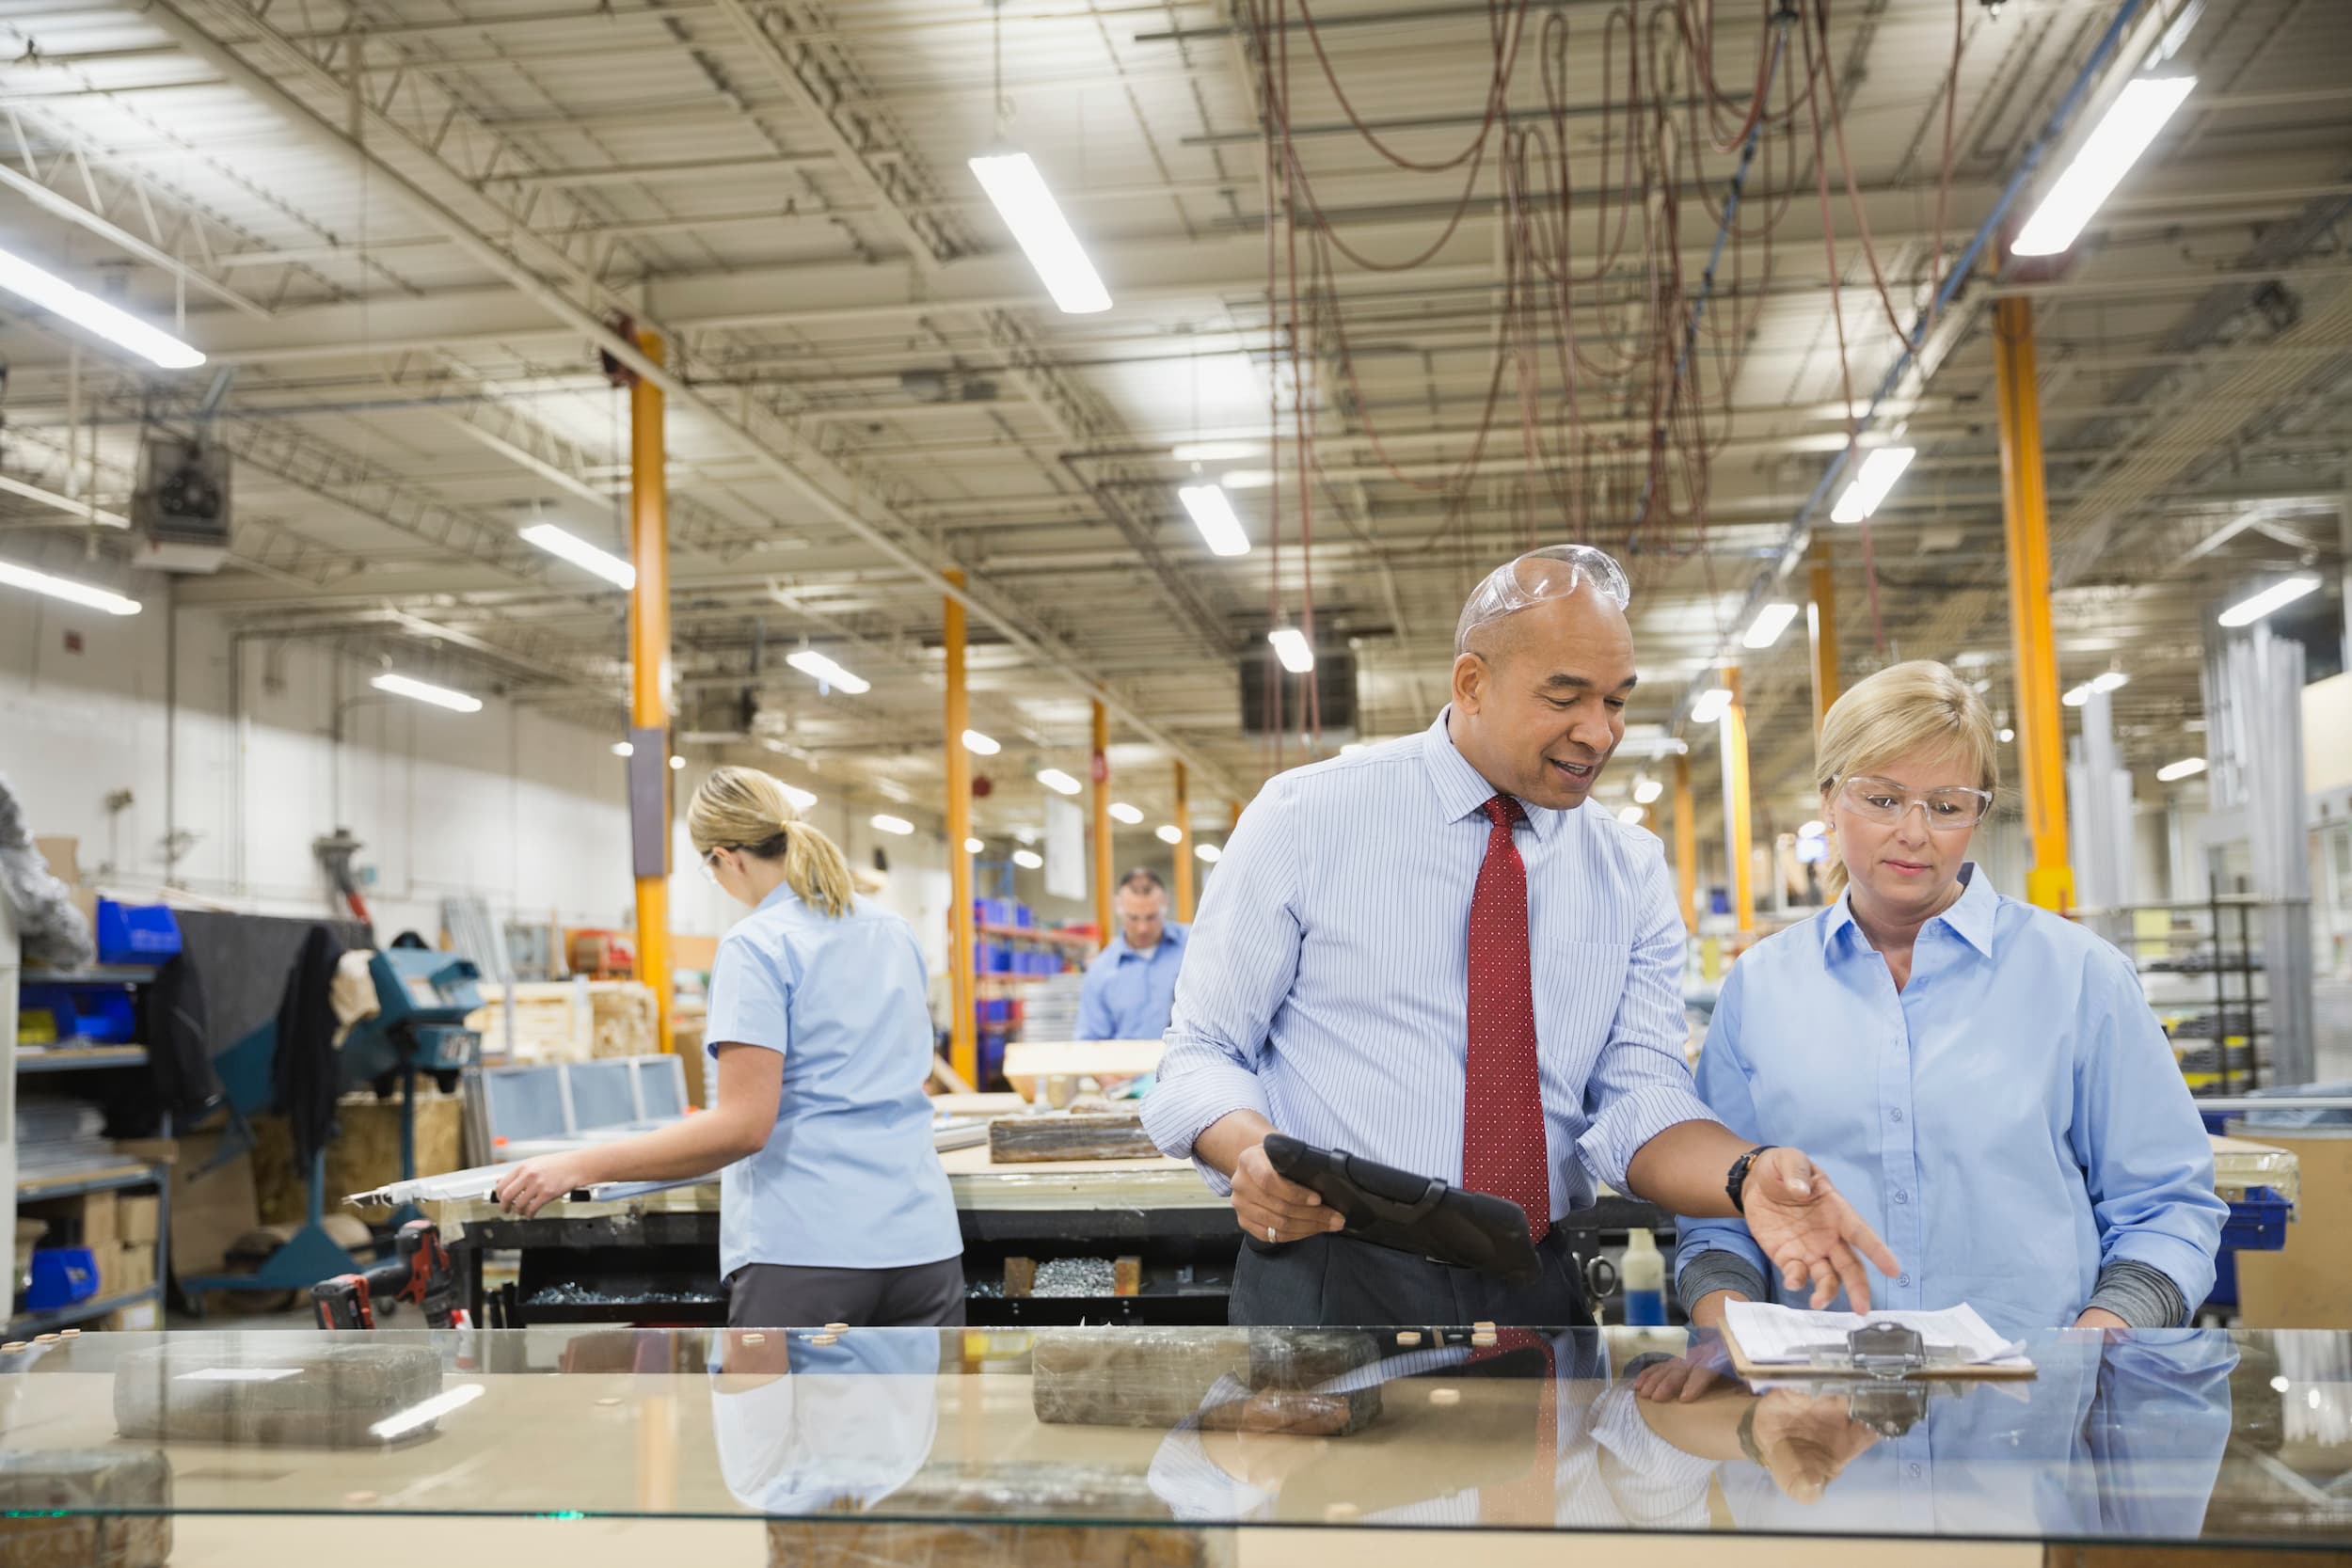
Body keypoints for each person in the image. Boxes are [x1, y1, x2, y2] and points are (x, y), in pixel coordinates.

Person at [1139, 543, 1899, 1327]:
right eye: (1565, 697)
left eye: (1616, 700)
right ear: (1472, 683)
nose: (1600, 733)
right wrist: (1251, 1151)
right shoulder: (1306, 819)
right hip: (1332, 1270)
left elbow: (1640, 1097)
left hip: (1532, 1278)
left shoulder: (1627, 869)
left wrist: (1743, 1174)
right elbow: (1201, 1050)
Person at [1645, 660, 2223, 1384]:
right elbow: (1722, 1216)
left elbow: (2169, 1208)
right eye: (1882, 798)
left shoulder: (2080, 978)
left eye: (1948, 806)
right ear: (1829, 800)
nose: (1914, 833)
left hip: (2026, 1435)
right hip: (1818, 1443)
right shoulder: (1760, 991)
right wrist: (1723, 1333)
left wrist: (2093, 1349)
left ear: (1979, 811)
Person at [494, 766, 964, 1329]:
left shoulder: (757, 944)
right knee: (912, 1417)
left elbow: (743, 1126)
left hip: (811, 1253)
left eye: (709, 868)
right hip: (923, 1246)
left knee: (775, 1420)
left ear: (728, 857)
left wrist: (577, 1165)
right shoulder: (892, 930)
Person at [1077, 867, 1190, 1039]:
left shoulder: (1193, 947)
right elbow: (1089, 1043)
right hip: (1125, 1066)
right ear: (1118, 907)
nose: (1142, 928)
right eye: (1133, 918)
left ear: (1165, 904)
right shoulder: (1100, 971)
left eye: (1151, 917)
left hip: (1188, 1064)